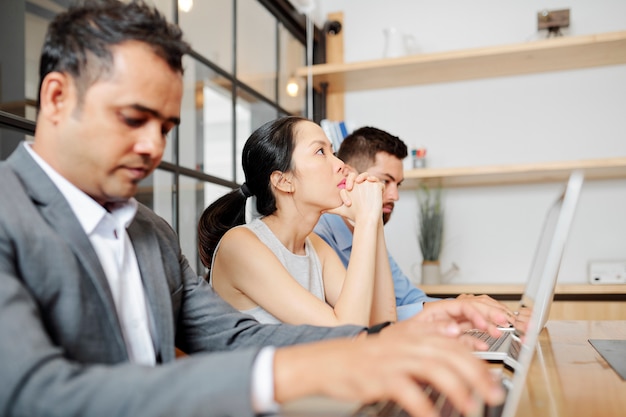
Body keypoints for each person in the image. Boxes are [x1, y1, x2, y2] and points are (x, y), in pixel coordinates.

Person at [0, 1, 507, 416]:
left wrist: (388, 339)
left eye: (167, 127)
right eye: (134, 118)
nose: (154, 146)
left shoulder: (150, 232)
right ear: (57, 96)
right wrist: (294, 372)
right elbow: (31, 393)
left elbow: (234, 336)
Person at [197, 116, 397, 327]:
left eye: (333, 152)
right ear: (284, 181)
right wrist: (365, 219)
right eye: (320, 152)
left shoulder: (315, 246)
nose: (341, 165)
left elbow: (382, 324)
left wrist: (374, 218)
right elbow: (349, 330)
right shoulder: (239, 245)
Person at [314, 127, 516, 322]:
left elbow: (410, 299)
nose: (395, 196)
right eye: (385, 181)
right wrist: (449, 309)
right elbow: (359, 320)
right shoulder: (318, 236)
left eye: (398, 184)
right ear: (349, 175)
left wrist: (464, 306)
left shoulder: (368, 232)